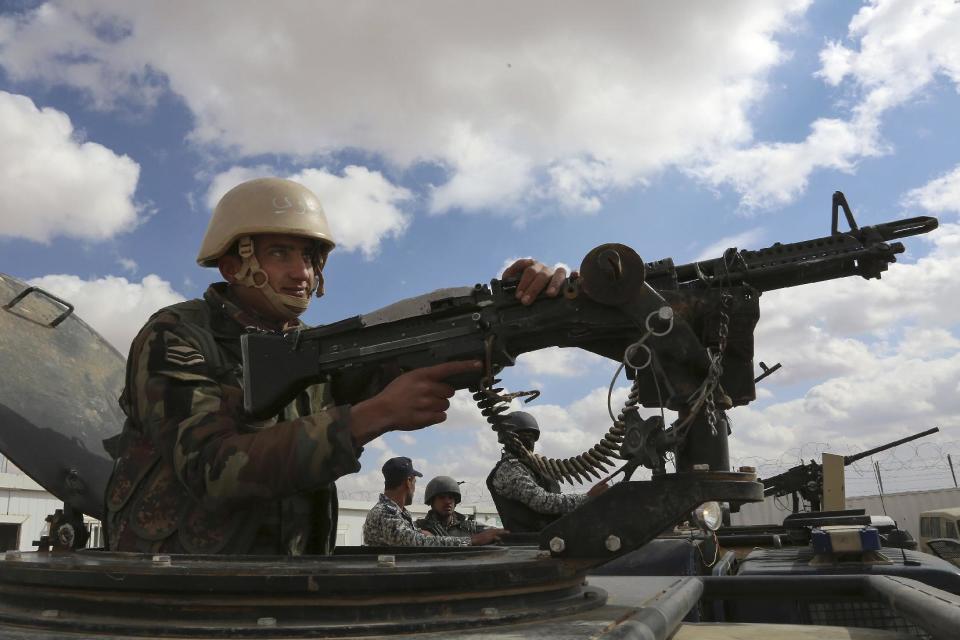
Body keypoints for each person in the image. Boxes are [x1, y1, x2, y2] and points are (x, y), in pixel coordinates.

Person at [103, 177, 565, 555]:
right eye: (280, 253)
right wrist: (375, 414)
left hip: (290, 586)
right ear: (231, 265)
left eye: (309, 257)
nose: (301, 272)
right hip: (177, 589)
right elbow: (212, 467)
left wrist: (513, 317)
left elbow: (407, 362)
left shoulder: (305, 351)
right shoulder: (175, 335)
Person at [487, 411, 607, 533]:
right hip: (528, 541)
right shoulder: (510, 468)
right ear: (508, 439)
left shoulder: (528, 466)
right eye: (524, 435)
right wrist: (587, 497)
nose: (530, 441)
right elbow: (542, 502)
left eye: (533, 437)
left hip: (546, 535)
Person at [362, 458, 504, 546]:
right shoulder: (386, 514)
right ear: (408, 482)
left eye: (451, 497)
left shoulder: (396, 513)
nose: (447, 501)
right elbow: (420, 543)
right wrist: (473, 540)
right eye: (414, 482)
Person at [415, 476, 490, 537]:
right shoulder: (418, 527)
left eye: (451, 497)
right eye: (442, 497)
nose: (448, 502)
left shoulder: (469, 527)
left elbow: (495, 533)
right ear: (432, 502)